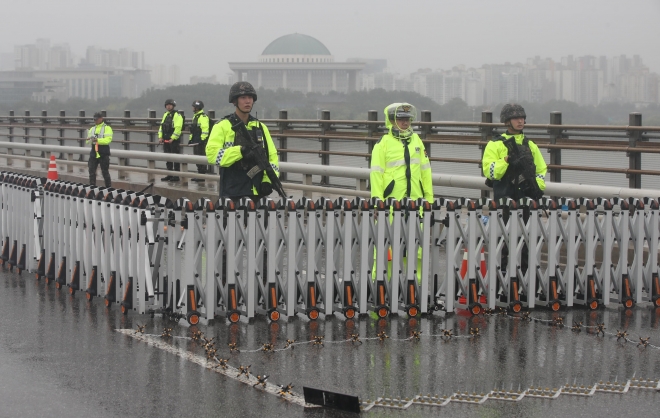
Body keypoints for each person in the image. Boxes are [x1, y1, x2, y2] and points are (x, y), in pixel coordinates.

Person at [482, 103, 548, 299]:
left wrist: (536, 187)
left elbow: (542, 171)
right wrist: (507, 162)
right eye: (516, 118)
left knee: (528, 243)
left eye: (522, 117)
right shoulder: (495, 144)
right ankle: (501, 287)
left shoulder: (530, 145)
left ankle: (527, 285)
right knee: (504, 243)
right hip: (504, 201)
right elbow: (490, 172)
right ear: (507, 121)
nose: (521, 121)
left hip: (527, 201)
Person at [370, 102, 433, 285]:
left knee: (416, 250)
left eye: (407, 119)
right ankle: (381, 288)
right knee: (385, 250)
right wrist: (377, 203)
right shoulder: (383, 144)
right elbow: (376, 174)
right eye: (401, 119)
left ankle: (415, 288)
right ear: (391, 121)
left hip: (416, 205)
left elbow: (426, 172)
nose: (405, 122)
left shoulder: (417, 141)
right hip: (390, 206)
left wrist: (429, 199)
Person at [206, 81, 279, 202]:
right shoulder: (222, 126)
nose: (248, 101)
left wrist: (267, 180)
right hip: (232, 191)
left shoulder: (260, 127)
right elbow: (212, 155)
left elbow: (272, 157)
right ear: (235, 101)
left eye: (250, 97)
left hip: (257, 190)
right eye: (243, 97)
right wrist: (240, 151)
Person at [158, 99, 183, 182]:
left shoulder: (177, 115)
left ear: (173, 106)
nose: (168, 106)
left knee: (175, 158)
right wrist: (160, 137)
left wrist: (173, 138)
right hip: (165, 139)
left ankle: (176, 176)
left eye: (170, 105)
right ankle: (169, 174)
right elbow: (161, 127)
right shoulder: (165, 114)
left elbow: (178, 128)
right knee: (168, 157)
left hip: (173, 141)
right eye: (167, 105)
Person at [86, 112, 112, 187]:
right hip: (94, 152)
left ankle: (108, 188)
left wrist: (97, 140)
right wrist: (90, 140)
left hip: (103, 152)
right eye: (94, 120)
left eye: (96, 119)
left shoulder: (107, 128)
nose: (95, 121)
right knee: (91, 171)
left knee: (105, 172)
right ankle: (92, 187)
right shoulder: (92, 129)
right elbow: (87, 141)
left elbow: (108, 140)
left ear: (101, 119)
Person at [189, 100, 210, 182]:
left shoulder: (203, 117)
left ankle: (202, 176)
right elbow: (193, 130)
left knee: (201, 158)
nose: (192, 108)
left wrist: (202, 139)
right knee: (196, 158)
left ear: (197, 108)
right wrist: (190, 139)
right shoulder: (195, 116)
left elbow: (205, 129)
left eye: (193, 106)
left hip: (201, 142)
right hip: (195, 141)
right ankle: (199, 174)